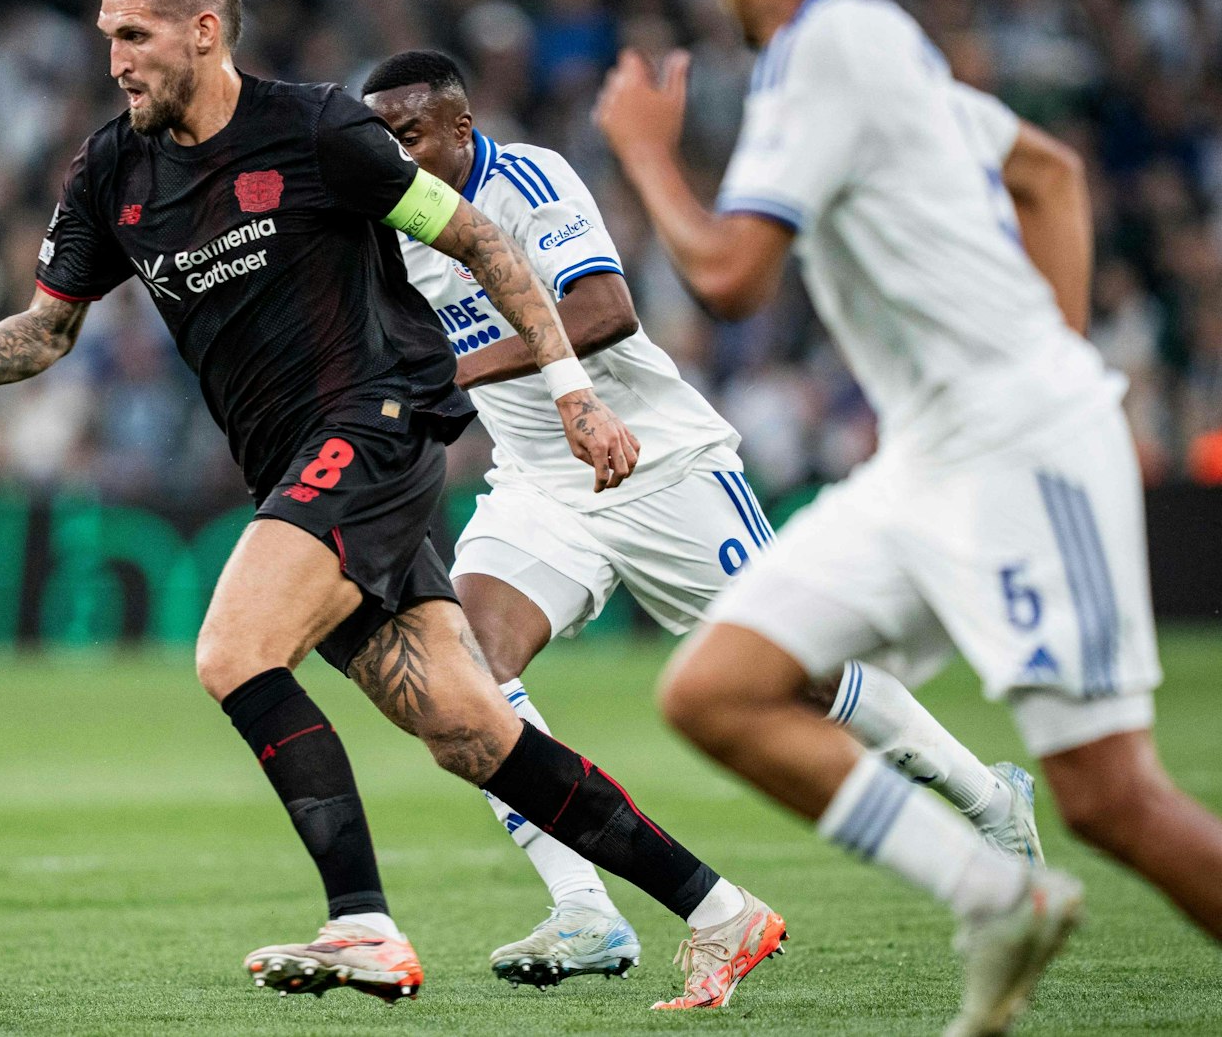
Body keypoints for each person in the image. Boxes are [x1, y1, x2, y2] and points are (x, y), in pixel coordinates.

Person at [0, 0, 763, 1008]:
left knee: (232, 649)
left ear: (203, 30)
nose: (114, 58)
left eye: (133, 35)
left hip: (376, 422)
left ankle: (361, 922)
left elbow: (484, 247)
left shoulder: (319, 132)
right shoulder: (110, 172)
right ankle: (718, 911)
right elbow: (48, 327)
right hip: (293, 465)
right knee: (467, 730)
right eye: (106, 37)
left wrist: (571, 393)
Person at [593, 0, 1222, 1033]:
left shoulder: (830, 49)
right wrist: (1050, 352)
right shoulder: (876, 47)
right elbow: (1050, 176)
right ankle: (994, 891)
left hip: (1017, 445)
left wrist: (643, 148)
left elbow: (731, 277)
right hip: (926, 457)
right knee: (713, 692)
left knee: (1111, 799)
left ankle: (1007, 876)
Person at [361, 49, 1043, 1007]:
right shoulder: (394, 227)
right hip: (538, 489)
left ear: (462, 130)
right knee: (464, 677)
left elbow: (600, 310)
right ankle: (585, 907)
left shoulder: (528, 179)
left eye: (411, 134)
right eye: (380, 138)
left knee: (796, 675)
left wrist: (450, 379)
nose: (394, 153)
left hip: (660, 463)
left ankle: (985, 796)